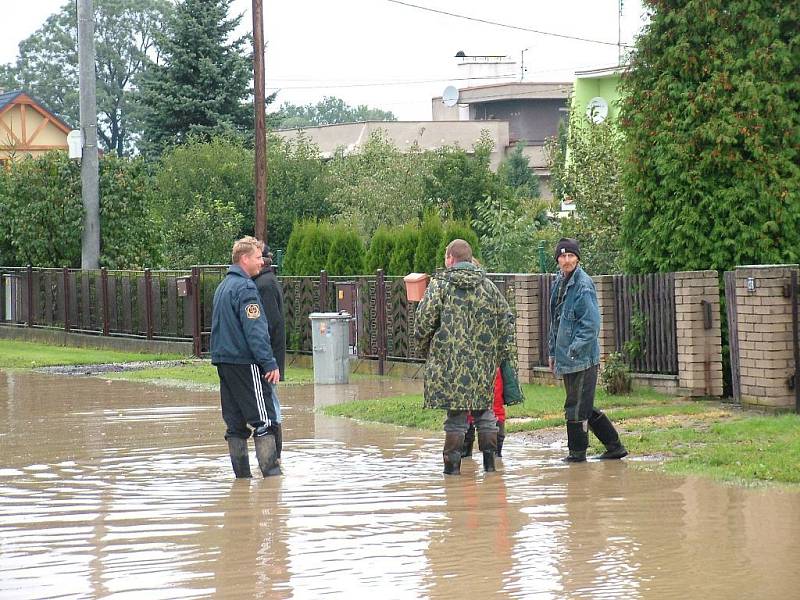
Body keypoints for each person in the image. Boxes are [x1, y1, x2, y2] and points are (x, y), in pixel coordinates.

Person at [414, 239, 516, 475]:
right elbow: (506, 321)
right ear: (469, 259)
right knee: (485, 412)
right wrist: (496, 354)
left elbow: (422, 324)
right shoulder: (489, 287)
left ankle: (452, 471)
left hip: (449, 365)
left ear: (450, 258)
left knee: (456, 418)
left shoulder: (440, 286)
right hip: (483, 365)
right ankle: (491, 467)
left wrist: (426, 351)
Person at [548, 237, 628, 462]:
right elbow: (554, 322)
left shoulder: (583, 285)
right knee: (583, 405)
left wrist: (574, 350)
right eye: (562, 256)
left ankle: (577, 454)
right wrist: (553, 353)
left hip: (582, 358)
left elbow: (591, 324)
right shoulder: (559, 283)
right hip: (566, 357)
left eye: (570, 256)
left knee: (575, 407)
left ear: (577, 258)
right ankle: (615, 447)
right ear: (557, 260)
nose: (566, 260)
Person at [211, 236, 281, 478]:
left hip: (224, 362)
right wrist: (269, 362)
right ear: (244, 259)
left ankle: (241, 479)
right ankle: (272, 478)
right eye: (258, 257)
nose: (262, 262)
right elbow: (255, 330)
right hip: (245, 362)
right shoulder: (246, 288)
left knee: (235, 424)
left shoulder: (223, 286)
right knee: (264, 420)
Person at [252, 243, 286, 460]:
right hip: (270, 356)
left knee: (270, 404)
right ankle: (274, 457)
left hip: (268, 358)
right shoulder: (266, 281)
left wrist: (267, 359)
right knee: (269, 402)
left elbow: (270, 324)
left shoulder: (263, 285)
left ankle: (273, 456)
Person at [462, 367, 506, 458]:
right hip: (489, 366)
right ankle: (493, 460)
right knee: (494, 408)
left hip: (469, 367)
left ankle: (465, 455)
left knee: (467, 409)